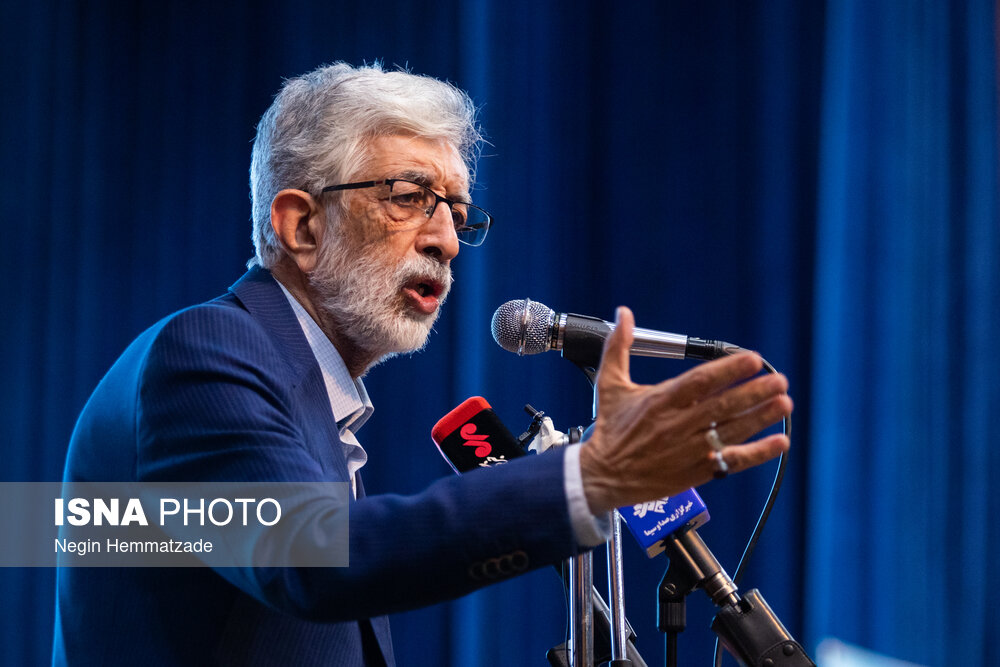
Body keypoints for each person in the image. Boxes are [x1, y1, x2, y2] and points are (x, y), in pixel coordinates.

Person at [53, 62, 792, 666]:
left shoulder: (317, 402)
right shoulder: (206, 353)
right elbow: (314, 560)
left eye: (458, 214)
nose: (446, 239)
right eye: (410, 198)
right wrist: (587, 478)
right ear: (301, 224)